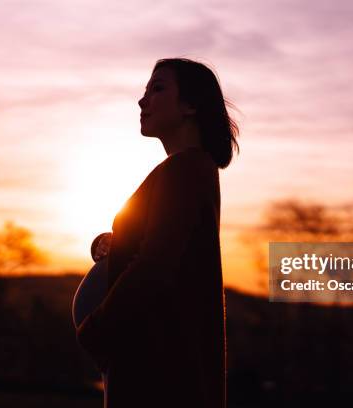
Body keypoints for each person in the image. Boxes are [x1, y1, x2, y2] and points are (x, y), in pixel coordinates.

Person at [76, 57, 240, 408]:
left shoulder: (186, 170)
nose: (142, 100)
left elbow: (155, 266)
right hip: (151, 370)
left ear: (191, 105)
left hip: (160, 379)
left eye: (158, 88)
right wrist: (115, 243)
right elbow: (167, 246)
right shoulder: (181, 171)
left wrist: (95, 330)